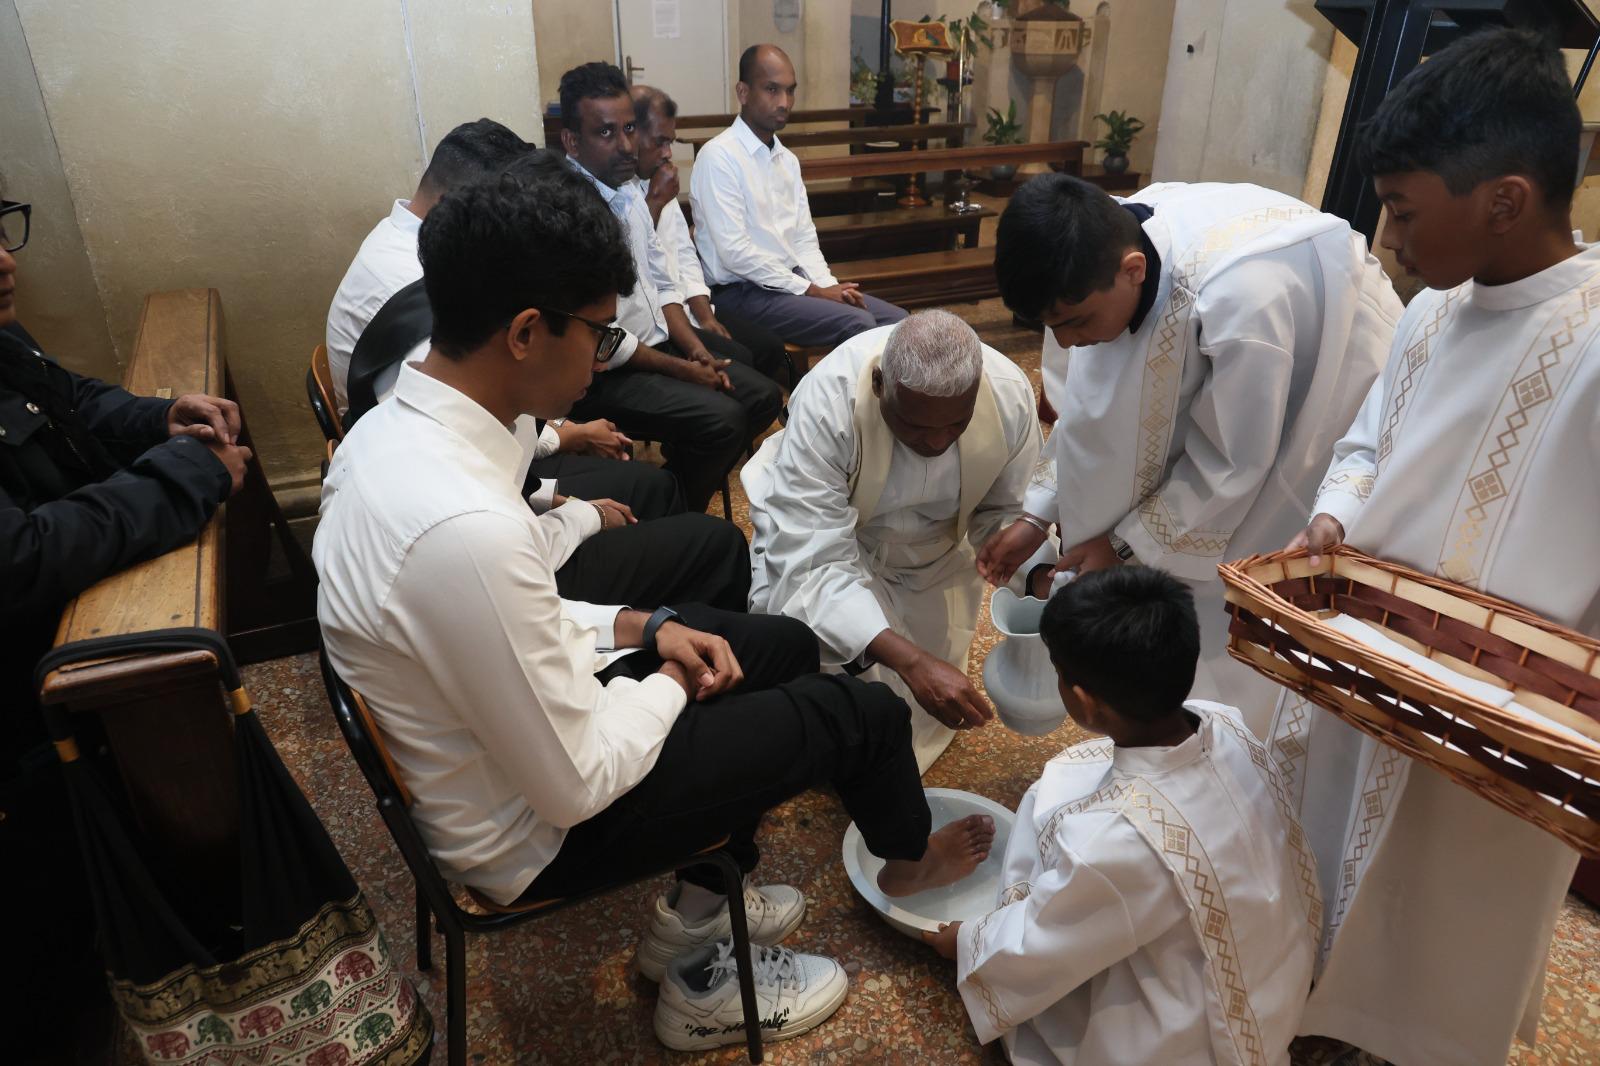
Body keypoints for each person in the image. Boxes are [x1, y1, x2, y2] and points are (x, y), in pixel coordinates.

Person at [313, 167, 997, 1051]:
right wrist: (672, 676)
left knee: (783, 645)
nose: (604, 357)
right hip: (537, 831)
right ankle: (740, 966)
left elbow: (505, 621)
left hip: (510, 741)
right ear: (525, 332)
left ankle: (700, 906)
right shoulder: (462, 528)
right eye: (600, 333)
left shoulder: (386, 434)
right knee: (857, 713)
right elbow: (577, 780)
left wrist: (646, 627)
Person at [1271, 28, 1595, 1066]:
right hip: (1369, 671)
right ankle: (1329, 1019)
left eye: (1405, 211)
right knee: (1334, 880)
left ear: (1504, 199)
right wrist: (1335, 512)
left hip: (1503, 711)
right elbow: (1367, 444)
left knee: (1446, 931)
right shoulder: (1429, 315)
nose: (1389, 238)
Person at [978, 174, 1401, 737]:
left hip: (1313, 391)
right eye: (1053, 327)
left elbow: (1233, 463)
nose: (1069, 342)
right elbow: (1090, 409)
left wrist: (1124, 544)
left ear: (1133, 270)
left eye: (1074, 323)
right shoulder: (1094, 245)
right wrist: (1038, 513)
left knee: (1233, 593)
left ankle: (1227, 739)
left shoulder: (1241, 303)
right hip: (1241, 390)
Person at [0, 186, 250, 1057]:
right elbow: (19, 557)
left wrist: (157, 416)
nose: (4, 259)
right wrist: (187, 477)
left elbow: (62, 399)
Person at [924, 567, 1320, 1066]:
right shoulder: (1224, 719)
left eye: (1059, 673)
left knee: (1051, 826)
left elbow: (1039, 946)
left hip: (1192, 1035)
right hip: (1274, 982)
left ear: (1083, 700)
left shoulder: (1118, 843)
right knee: (1058, 783)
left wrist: (965, 943)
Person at [324, 118, 682, 520]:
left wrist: (563, 444)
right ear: (462, 212)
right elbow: (462, 446)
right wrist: (569, 482)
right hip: (476, 485)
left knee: (657, 491)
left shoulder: (409, 242)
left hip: (500, 466)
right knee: (660, 498)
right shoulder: (414, 279)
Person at [743, 310, 1041, 772]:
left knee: (917, 705)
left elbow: (1005, 510)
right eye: (916, 427)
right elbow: (811, 557)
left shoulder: (1007, 394)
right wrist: (911, 661)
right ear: (880, 384)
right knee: (832, 675)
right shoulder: (831, 401)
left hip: (936, 552)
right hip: (839, 542)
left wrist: (1036, 573)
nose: (937, 443)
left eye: (957, 424)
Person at [558, 62, 783, 514]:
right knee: (723, 419)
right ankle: (673, 508)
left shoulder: (626, 190)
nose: (626, 145)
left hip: (656, 344)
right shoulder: (569, 208)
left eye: (628, 129)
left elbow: (663, 282)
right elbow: (603, 338)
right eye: (606, 133)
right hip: (604, 372)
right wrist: (682, 370)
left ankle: (671, 492)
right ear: (572, 141)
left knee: (761, 395)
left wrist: (695, 350)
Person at [689, 44, 908, 347]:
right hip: (742, 293)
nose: (784, 102)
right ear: (743, 92)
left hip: (791, 285)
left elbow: (804, 239)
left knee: (901, 322)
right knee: (859, 323)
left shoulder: (787, 160)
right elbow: (735, 253)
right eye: (772, 90)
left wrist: (830, 287)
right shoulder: (718, 157)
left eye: (790, 91)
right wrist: (812, 290)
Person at [630, 83, 794, 388]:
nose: (668, 153)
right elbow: (633, 264)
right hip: (656, 322)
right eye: (660, 142)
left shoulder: (658, 178)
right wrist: (654, 202)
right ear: (631, 136)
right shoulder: (625, 191)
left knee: (769, 347)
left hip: (686, 307)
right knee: (740, 360)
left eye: (670, 142)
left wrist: (705, 316)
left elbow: (684, 255)